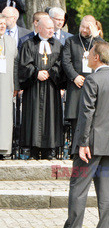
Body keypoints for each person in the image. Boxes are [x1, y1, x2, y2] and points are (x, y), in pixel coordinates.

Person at [64, 41, 109, 228]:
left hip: (90, 145)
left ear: (97, 57)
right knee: (106, 193)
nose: (87, 56)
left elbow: (86, 113)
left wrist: (83, 143)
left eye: (90, 53)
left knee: (78, 188)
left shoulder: (92, 80)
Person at [19, 17, 63, 160]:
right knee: (33, 115)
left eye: (52, 28)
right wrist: (36, 72)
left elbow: (60, 64)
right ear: (39, 28)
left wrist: (50, 72)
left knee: (51, 116)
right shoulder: (28, 44)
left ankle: (50, 149)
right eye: (48, 28)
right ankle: (33, 149)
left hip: (51, 87)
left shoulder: (57, 45)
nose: (52, 30)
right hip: (34, 87)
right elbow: (24, 64)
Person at [62, 15, 103, 149]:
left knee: (92, 117)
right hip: (76, 85)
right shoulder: (71, 41)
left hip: (93, 84)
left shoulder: (97, 42)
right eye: (82, 26)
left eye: (87, 27)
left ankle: (90, 148)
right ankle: (75, 149)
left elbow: (105, 55)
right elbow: (66, 61)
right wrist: (74, 76)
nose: (84, 30)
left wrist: (96, 37)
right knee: (75, 120)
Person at [0, 14, 19, 159]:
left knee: (6, 117)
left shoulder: (11, 41)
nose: (2, 26)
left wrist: (16, 85)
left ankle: (4, 148)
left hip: (7, 85)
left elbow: (16, 66)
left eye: (3, 24)